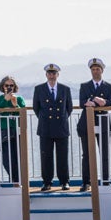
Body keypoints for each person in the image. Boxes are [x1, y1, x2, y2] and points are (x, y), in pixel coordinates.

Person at [32, 64, 73, 192]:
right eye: (49, 73)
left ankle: (64, 181)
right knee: (46, 157)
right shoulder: (39, 89)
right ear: (46, 75)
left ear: (58, 75)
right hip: (45, 128)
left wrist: (61, 119)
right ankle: (47, 182)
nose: (51, 75)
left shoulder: (65, 89)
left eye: (54, 73)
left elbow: (69, 108)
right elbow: (36, 107)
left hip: (61, 127)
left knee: (62, 156)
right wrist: (44, 119)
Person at [78, 57, 111, 192]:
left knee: (104, 153)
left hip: (103, 123)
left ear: (102, 70)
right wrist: (92, 100)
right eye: (93, 69)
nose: (95, 72)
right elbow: (82, 103)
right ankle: (86, 182)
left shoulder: (108, 86)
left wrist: (100, 101)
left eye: (98, 69)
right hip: (86, 123)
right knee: (86, 154)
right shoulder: (84, 86)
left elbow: (110, 102)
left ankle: (105, 180)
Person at [0, 76, 25, 184]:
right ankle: (14, 179)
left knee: (18, 157)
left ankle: (18, 181)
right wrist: (5, 100)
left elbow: (22, 112)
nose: (9, 87)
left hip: (17, 132)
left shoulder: (19, 99)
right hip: (5, 132)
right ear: (3, 86)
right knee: (7, 159)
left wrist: (16, 105)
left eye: (11, 85)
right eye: (7, 85)